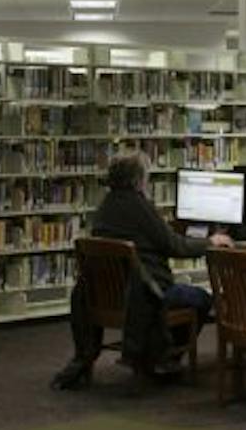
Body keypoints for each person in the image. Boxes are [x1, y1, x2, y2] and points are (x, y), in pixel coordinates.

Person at [55, 151, 231, 387]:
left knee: (187, 294)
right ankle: (166, 357)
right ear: (138, 180)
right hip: (147, 291)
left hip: (109, 297)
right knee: (201, 298)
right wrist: (211, 241)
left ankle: (158, 354)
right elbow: (175, 246)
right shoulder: (140, 206)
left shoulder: (105, 207)